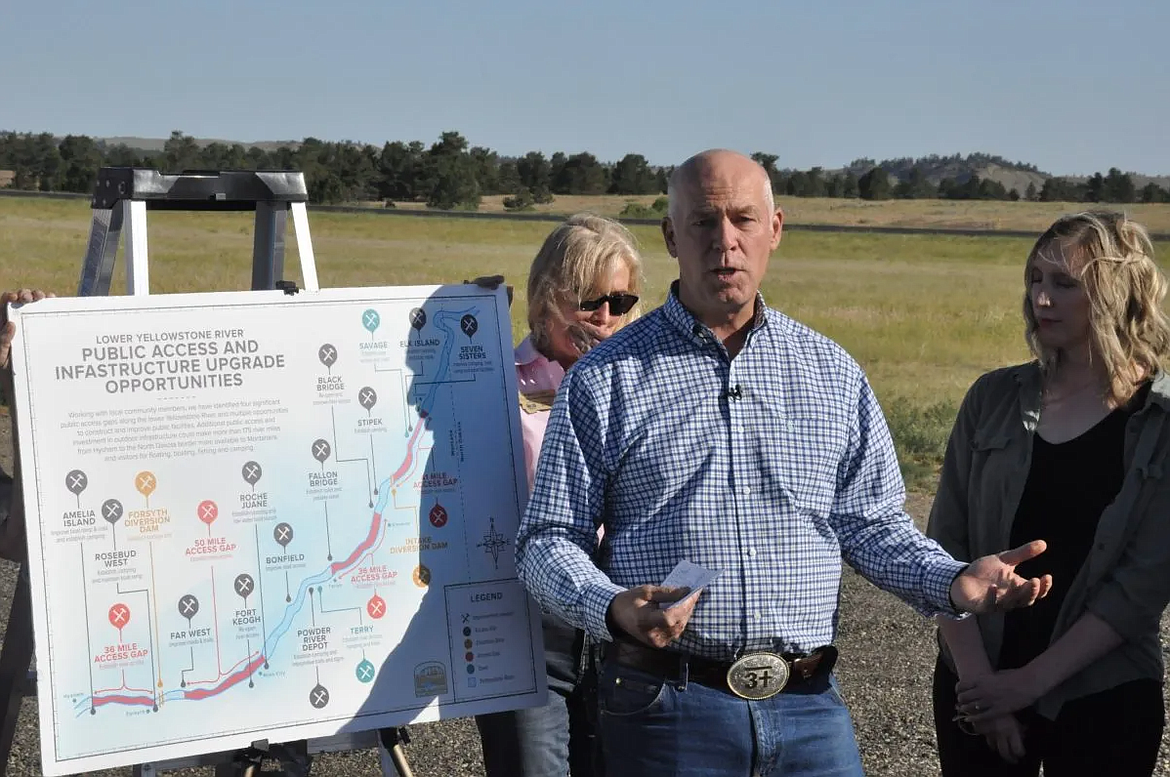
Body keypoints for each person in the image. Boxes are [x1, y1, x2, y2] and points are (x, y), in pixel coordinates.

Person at [515, 149, 1054, 777]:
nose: (726, 242)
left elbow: (871, 524)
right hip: (665, 712)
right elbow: (547, 541)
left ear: (775, 229)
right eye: (703, 223)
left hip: (808, 712)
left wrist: (951, 581)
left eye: (744, 220)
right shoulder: (606, 378)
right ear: (670, 236)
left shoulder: (831, 373)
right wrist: (611, 607)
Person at [927, 211, 1170, 776]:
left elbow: (1143, 584)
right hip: (975, 682)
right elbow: (944, 548)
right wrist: (983, 686)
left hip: (1103, 691)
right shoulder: (992, 398)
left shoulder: (1160, 422)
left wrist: (1028, 685)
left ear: (1117, 293)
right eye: (1036, 278)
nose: (1041, 298)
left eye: (1065, 284)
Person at [473, 213, 643, 777]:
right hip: (530, 623)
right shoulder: (495, 377)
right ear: (546, 297)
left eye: (621, 303)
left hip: (623, 617)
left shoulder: (643, 385)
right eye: (588, 300)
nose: (605, 317)